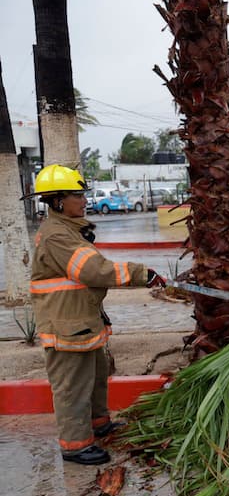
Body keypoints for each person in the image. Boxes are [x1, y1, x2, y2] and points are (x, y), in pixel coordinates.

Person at [27, 165, 165, 465]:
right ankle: (75, 446)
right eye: (77, 195)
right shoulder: (56, 236)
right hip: (66, 325)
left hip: (81, 321)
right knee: (73, 386)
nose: (84, 200)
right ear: (58, 201)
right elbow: (93, 270)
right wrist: (141, 274)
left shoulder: (68, 230)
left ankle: (99, 424)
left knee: (96, 377)